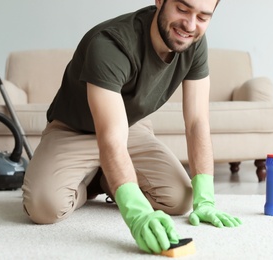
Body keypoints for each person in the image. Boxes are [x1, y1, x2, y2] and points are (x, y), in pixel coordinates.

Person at [22, 0, 242, 255]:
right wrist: (136, 213)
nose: (190, 25)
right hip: (75, 130)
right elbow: (110, 138)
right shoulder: (110, 44)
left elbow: (197, 122)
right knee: (44, 207)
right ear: (160, 1)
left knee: (179, 199)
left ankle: (107, 179)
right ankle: (94, 179)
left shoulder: (193, 43)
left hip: (129, 128)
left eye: (203, 17)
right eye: (182, 9)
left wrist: (205, 199)